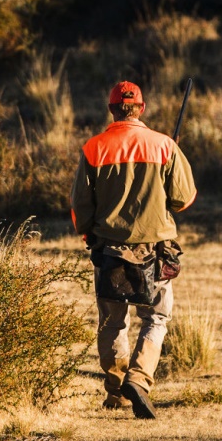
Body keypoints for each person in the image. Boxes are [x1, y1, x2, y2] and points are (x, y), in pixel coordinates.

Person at [70, 80, 197, 419]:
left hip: (108, 249)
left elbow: (80, 206)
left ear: (112, 109)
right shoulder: (164, 146)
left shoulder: (94, 148)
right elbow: (183, 199)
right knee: (155, 318)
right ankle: (139, 379)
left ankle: (116, 393)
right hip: (155, 251)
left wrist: (88, 236)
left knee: (112, 323)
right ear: (141, 108)